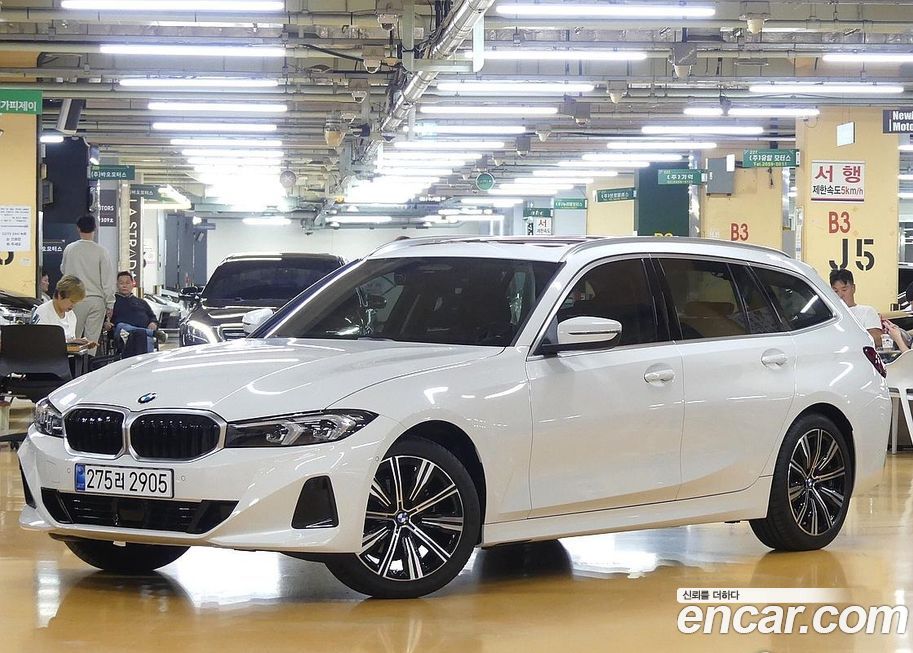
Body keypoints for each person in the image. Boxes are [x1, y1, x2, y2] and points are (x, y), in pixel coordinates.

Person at [60, 214, 116, 355]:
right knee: (92, 341)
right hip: (96, 301)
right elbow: (107, 280)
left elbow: (63, 270)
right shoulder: (102, 251)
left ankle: (73, 366)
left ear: (78, 228)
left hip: (74, 300)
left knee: (73, 338)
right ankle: (89, 365)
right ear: (95, 228)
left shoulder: (70, 249)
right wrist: (110, 303)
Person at [109, 271, 166, 354]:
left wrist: (153, 323)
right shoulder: (112, 302)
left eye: (127, 283)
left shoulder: (142, 302)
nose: (124, 286)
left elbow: (152, 317)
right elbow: (107, 319)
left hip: (143, 336)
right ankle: (152, 333)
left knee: (146, 338)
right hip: (123, 334)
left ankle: (147, 359)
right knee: (121, 326)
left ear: (133, 284)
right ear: (117, 285)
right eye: (121, 283)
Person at [30, 275, 95, 347]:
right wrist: (68, 342)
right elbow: (39, 343)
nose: (73, 305)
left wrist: (80, 345)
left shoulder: (71, 315)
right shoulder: (42, 312)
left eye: (75, 302)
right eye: (72, 301)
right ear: (60, 295)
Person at [829, 269, 881, 344]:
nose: (840, 295)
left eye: (844, 290)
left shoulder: (867, 311)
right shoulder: (830, 315)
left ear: (853, 288)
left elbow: (877, 339)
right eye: (835, 291)